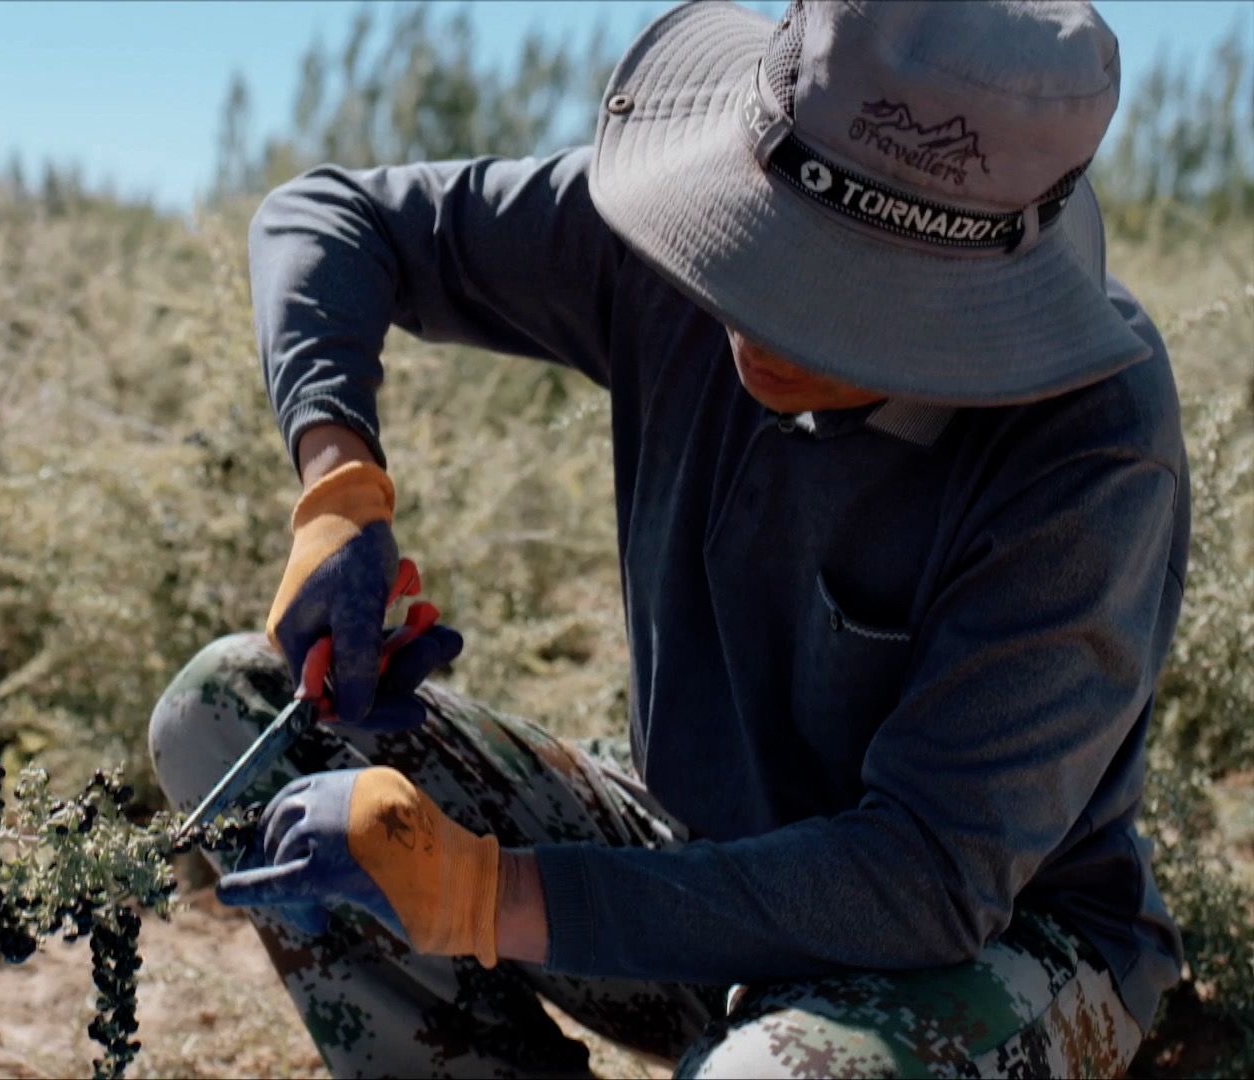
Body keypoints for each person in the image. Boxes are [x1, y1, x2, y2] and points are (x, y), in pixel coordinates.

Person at [147, 2, 1188, 1076]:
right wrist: (339, 488)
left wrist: (486, 896)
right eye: (757, 245)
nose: (760, 315)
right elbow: (329, 219)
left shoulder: (1090, 439)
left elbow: (926, 879)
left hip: (998, 940)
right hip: (691, 855)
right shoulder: (668, 231)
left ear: (977, 305)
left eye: (844, 300)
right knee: (228, 714)